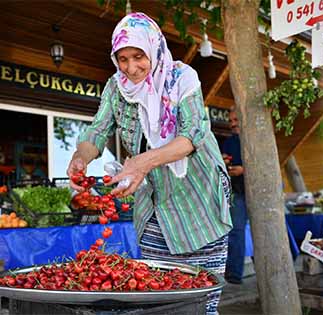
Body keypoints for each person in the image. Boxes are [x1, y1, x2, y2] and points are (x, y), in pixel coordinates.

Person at [66, 12, 232, 314]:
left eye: (138, 56)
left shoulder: (182, 78)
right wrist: (81, 157)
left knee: (200, 300)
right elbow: (98, 130)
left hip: (198, 200)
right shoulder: (116, 87)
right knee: (160, 298)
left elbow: (191, 136)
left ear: (153, 48)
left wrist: (142, 163)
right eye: (123, 58)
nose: (131, 68)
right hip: (155, 203)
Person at [221, 108, 248, 284]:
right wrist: (224, 163)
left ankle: (291, 257)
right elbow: (222, 163)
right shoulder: (228, 142)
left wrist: (244, 170)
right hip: (237, 191)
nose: (233, 124)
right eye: (230, 121)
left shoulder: (255, 140)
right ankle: (233, 275)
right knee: (236, 231)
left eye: (236, 119)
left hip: (259, 193)